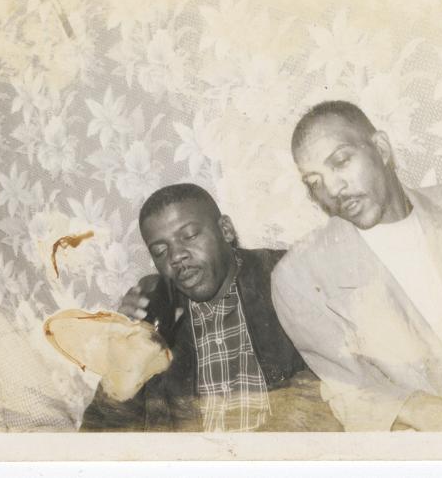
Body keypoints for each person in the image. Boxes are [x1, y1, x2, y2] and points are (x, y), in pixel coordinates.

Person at [271, 100, 442, 432]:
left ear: (381, 148)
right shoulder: (298, 276)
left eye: (341, 161)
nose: (332, 189)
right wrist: (414, 408)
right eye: (314, 181)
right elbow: (348, 389)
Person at [81, 183, 338, 432]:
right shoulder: (158, 311)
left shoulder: (287, 275)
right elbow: (98, 438)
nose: (176, 256)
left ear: (225, 230)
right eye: (160, 251)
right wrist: (124, 356)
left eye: (190, 235)